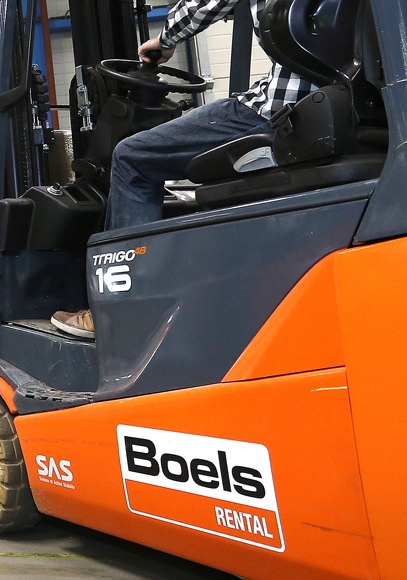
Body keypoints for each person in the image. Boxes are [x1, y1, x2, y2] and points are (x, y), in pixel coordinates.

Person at [52, 0, 316, 340]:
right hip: (325, 107)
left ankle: (124, 310)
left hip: (276, 112)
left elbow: (204, 5)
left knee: (133, 157)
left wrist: (163, 41)